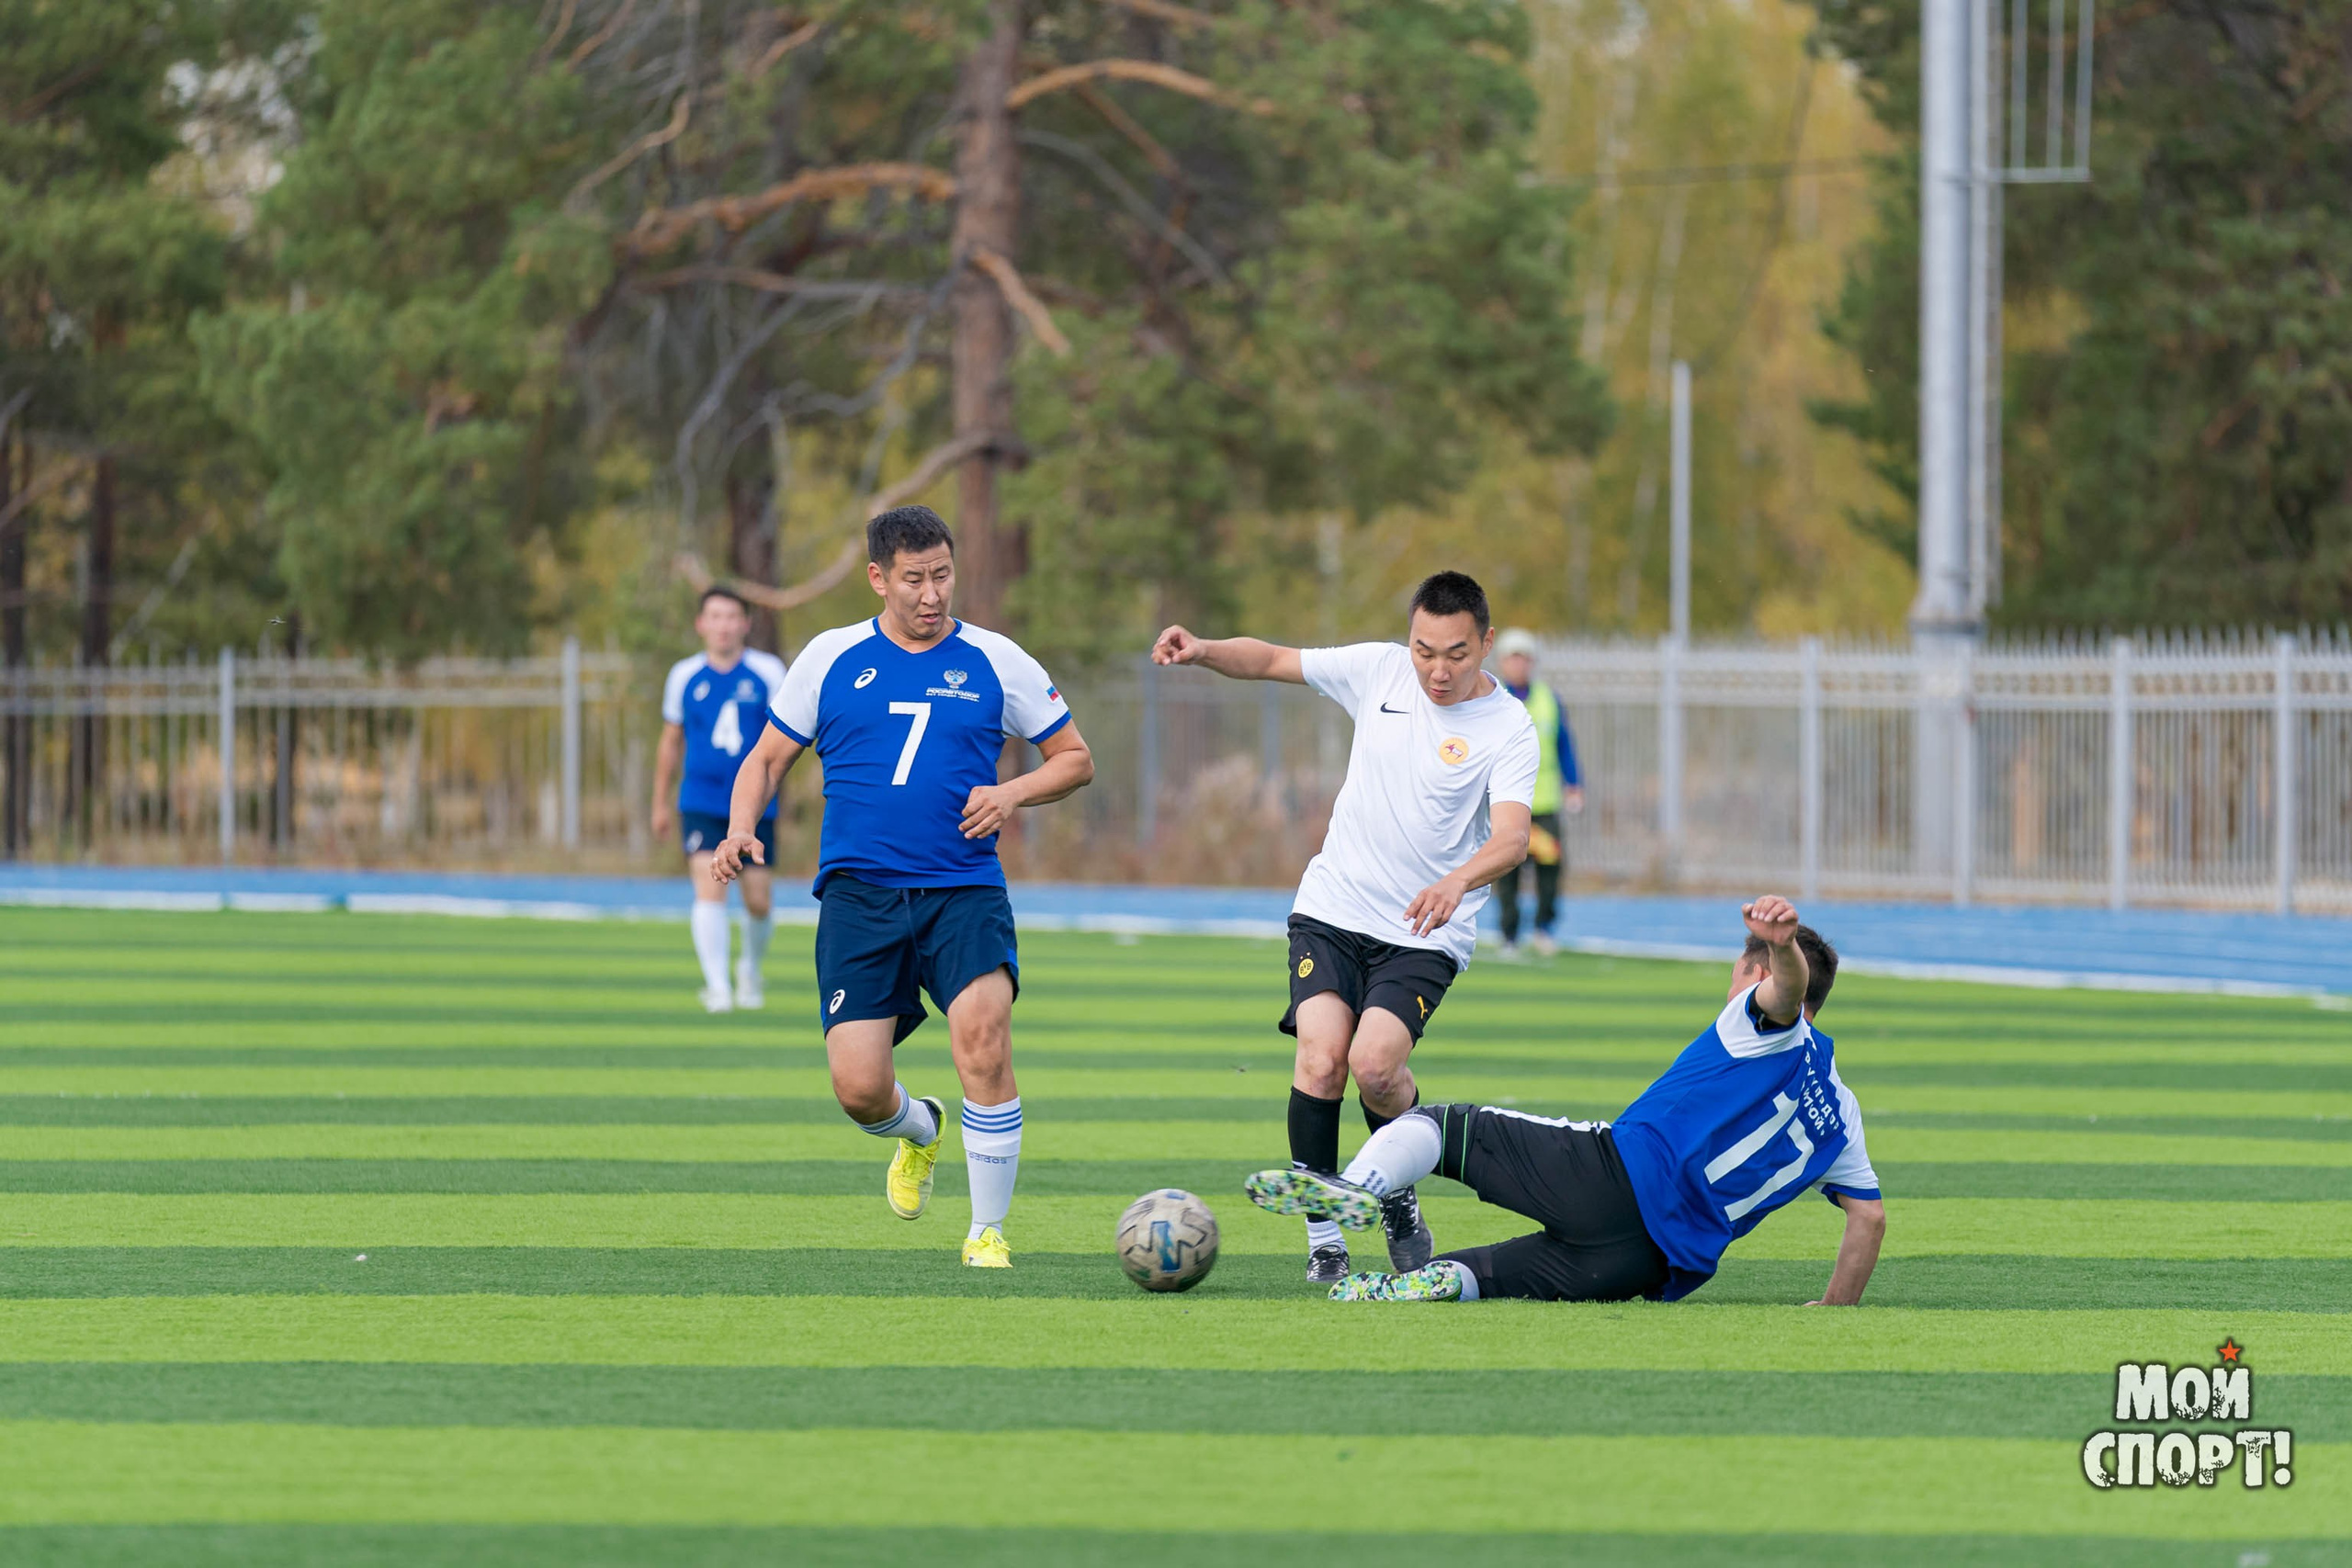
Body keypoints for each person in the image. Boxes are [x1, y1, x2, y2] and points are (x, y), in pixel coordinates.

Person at [712, 505, 1093, 1269]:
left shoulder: (998, 660)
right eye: (914, 579)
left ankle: (987, 1230)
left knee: (983, 1040)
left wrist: (1011, 794)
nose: (932, 594)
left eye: (943, 575)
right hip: (860, 896)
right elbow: (764, 759)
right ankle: (921, 1130)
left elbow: (1074, 758)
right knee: (858, 1087)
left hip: (963, 889)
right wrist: (739, 827)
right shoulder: (830, 656)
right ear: (878, 578)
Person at [1151, 571, 1539, 1283]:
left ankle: (1396, 1190)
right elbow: (1272, 660)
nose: (1437, 669)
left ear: (1485, 642)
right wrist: (1202, 648)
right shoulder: (1379, 670)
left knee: (1376, 1069)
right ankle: (1324, 1236)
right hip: (1333, 908)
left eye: (1456, 653)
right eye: (1424, 650)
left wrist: (1457, 881)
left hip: (1424, 930)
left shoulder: (1509, 727)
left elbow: (1512, 838)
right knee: (1322, 1060)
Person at [1243, 896, 1886, 1306]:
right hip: (1647, 1265)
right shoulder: (1844, 1111)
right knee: (1488, 1275)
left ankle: (1357, 1185)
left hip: (1614, 1175)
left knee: (1441, 1128)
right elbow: (1870, 1219)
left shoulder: (1764, 1020)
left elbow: (1785, 992)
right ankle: (1426, 1279)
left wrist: (1778, 946)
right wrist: (1835, 1307)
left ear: (1760, 978)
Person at [651, 587, 789, 1013]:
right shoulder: (684, 676)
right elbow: (671, 740)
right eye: (715, 616)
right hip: (701, 799)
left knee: (758, 900)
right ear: (701, 624)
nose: (723, 625)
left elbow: (787, 737)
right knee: (709, 889)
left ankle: (749, 970)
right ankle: (718, 988)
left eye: (732, 617)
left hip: (755, 803)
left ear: (745, 624)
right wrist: (659, 801)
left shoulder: (767, 672)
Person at [1490, 627, 1582, 958]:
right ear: (1503, 661)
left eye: (1524, 658)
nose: (1519, 664)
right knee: (1506, 870)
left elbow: (1564, 744)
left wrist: (1574, 784)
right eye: (1513, 658)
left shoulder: (1547, 699)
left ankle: (1543, 928)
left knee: (1549, 870)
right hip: (1506, 803)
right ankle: (1509, 934)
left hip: (1543, 804)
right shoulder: (1492, 697)